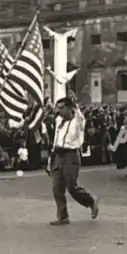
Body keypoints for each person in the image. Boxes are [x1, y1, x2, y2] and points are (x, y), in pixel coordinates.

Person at [48, 92, 99, 226]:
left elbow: (80, 117)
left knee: (71, 186)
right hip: (58, 154)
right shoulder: (59, 121)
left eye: (61, 107)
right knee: (56, 187)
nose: (58, 111)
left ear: (69, 108)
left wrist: (75, 104)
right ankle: (63, 216)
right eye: (57, 108)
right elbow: (56, 139)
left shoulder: (78, 121)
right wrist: (51, 158)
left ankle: (91, 201)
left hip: (71, 154)